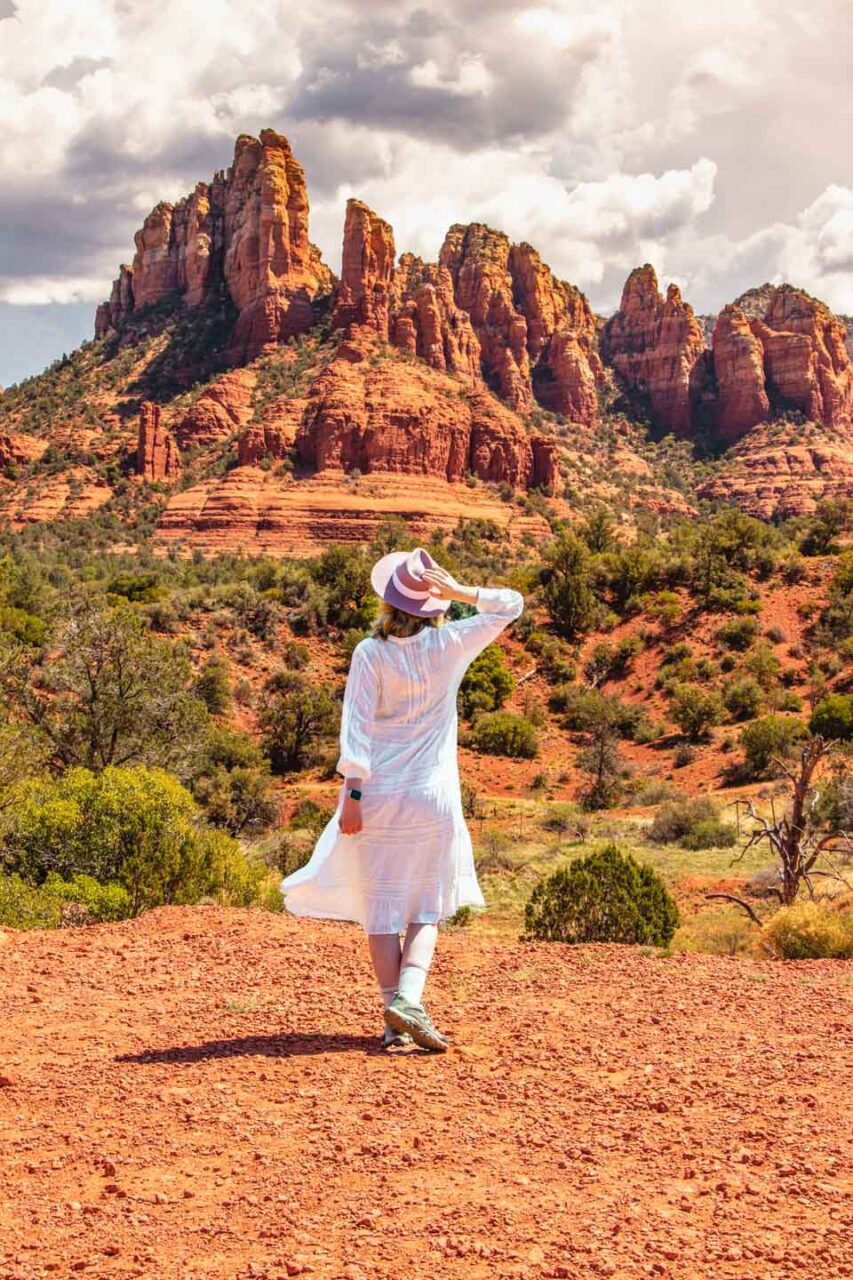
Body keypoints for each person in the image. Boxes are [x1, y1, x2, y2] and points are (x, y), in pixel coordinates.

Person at [280, 547, 524, 1052]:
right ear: (432, 606)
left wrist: (353, 795)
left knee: (382, 910)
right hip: (433, 796)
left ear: (389, 604)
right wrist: (459, 593)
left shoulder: (370, 653)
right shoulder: (452, 643)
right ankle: (408, 1000)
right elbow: (512, 605)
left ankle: (396, 1016)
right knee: (426, 907)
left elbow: (357, 730)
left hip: (378, 798)